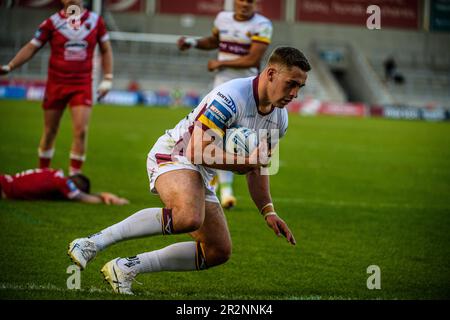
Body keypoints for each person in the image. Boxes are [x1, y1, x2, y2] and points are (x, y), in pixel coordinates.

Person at [68, 47, 310, 295]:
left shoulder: (280, 120)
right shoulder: (230, 97)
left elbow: (258, 167)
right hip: (176, 153)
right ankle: (92, 243)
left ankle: (125, 268)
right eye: (291, 83)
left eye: (300, 87)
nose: (294, 93)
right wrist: (243, 161)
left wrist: (268, 210)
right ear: (270, 74)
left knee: (218, 250)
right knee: (189, 216)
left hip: (201, 171)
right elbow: (196, 151)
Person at [177, 0, 273, 209]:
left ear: (255, 4)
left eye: (250, 1)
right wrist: (192, 42)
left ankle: (221, 187)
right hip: (220, 90)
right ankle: (222, 189)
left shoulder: (262, 24)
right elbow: (214, 40)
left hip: (246, 92)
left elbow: (252, 59)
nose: (245, 4)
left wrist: (221, 62)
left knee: (233, 139)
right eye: (241, 0)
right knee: (213, 139)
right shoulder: (222, 18)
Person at [0, 0, 114, 176]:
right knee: (50, 130)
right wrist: (10, 66)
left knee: (81, 131)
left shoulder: (96, 21)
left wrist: (107, 77)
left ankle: (75, 176)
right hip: (56, 84)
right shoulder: (52, 23)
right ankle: (42, 172)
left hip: (81, 84)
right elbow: (32, 47)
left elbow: (106, 49)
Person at [0, 168, 128, 205]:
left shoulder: (54, 173)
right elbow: (83, 198)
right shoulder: (64, 183)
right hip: (4, 189)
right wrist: (110, 199)